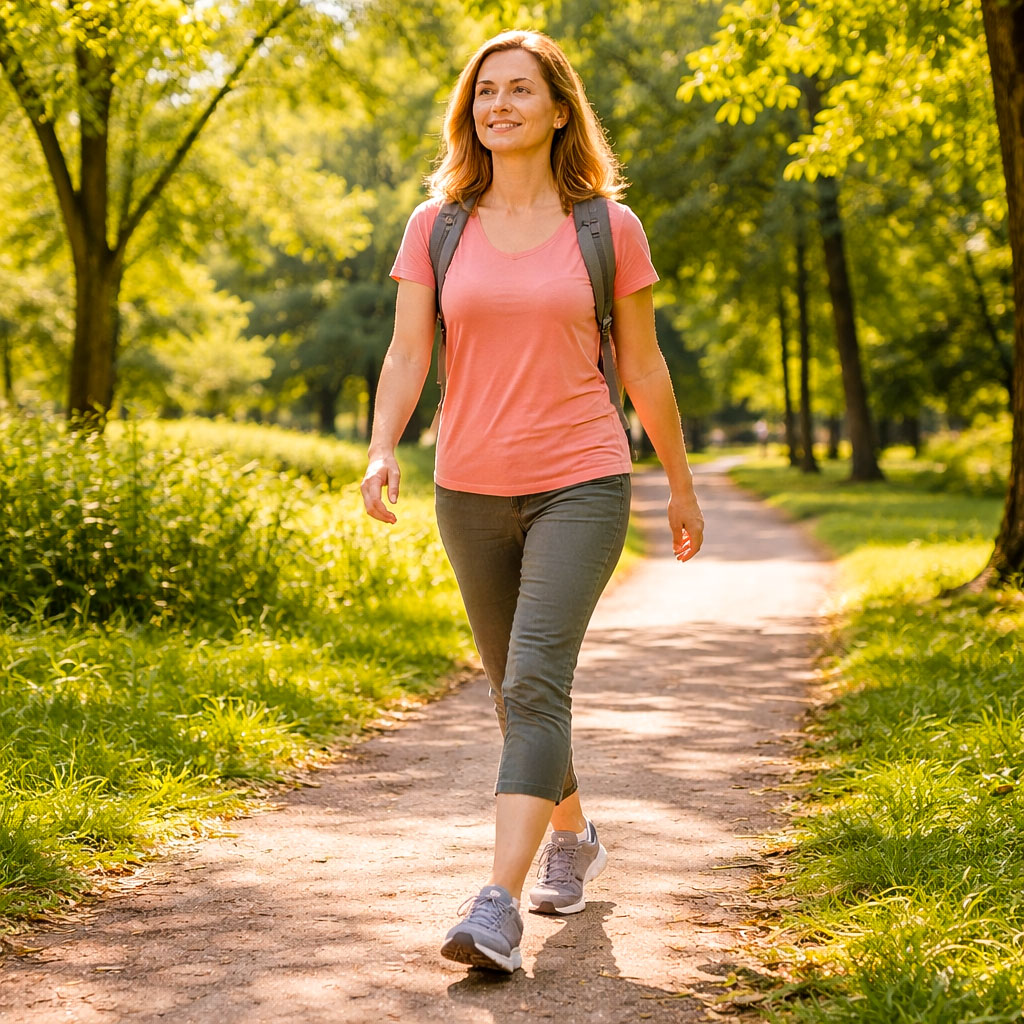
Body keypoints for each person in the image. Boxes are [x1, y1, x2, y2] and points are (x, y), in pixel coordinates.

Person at [360, 29, 704, 974]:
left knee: (536, 679)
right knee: (519, 695)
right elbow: (407, 352)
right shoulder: (436, 225)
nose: (498, 105)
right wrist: (384, 446)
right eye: (484, 93)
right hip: (468, 484)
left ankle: (494, 907)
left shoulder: (607, 227)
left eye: (520, 90)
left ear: (560, 109)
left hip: (582, 477)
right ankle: (576, 836)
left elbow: (642, 363)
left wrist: (678, 482)